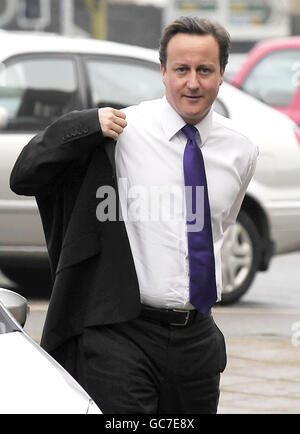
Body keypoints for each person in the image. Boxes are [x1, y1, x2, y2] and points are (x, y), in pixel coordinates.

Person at [10, 16, 258, 414]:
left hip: (197, 341)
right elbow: (24, 175)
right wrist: (83, 124)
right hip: (122, 335)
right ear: (163, 71)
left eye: (204, 70)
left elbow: (218, 227)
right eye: (181, 70)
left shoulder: (241, 151)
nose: (192, 82)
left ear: (222, 74)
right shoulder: (123, 133)